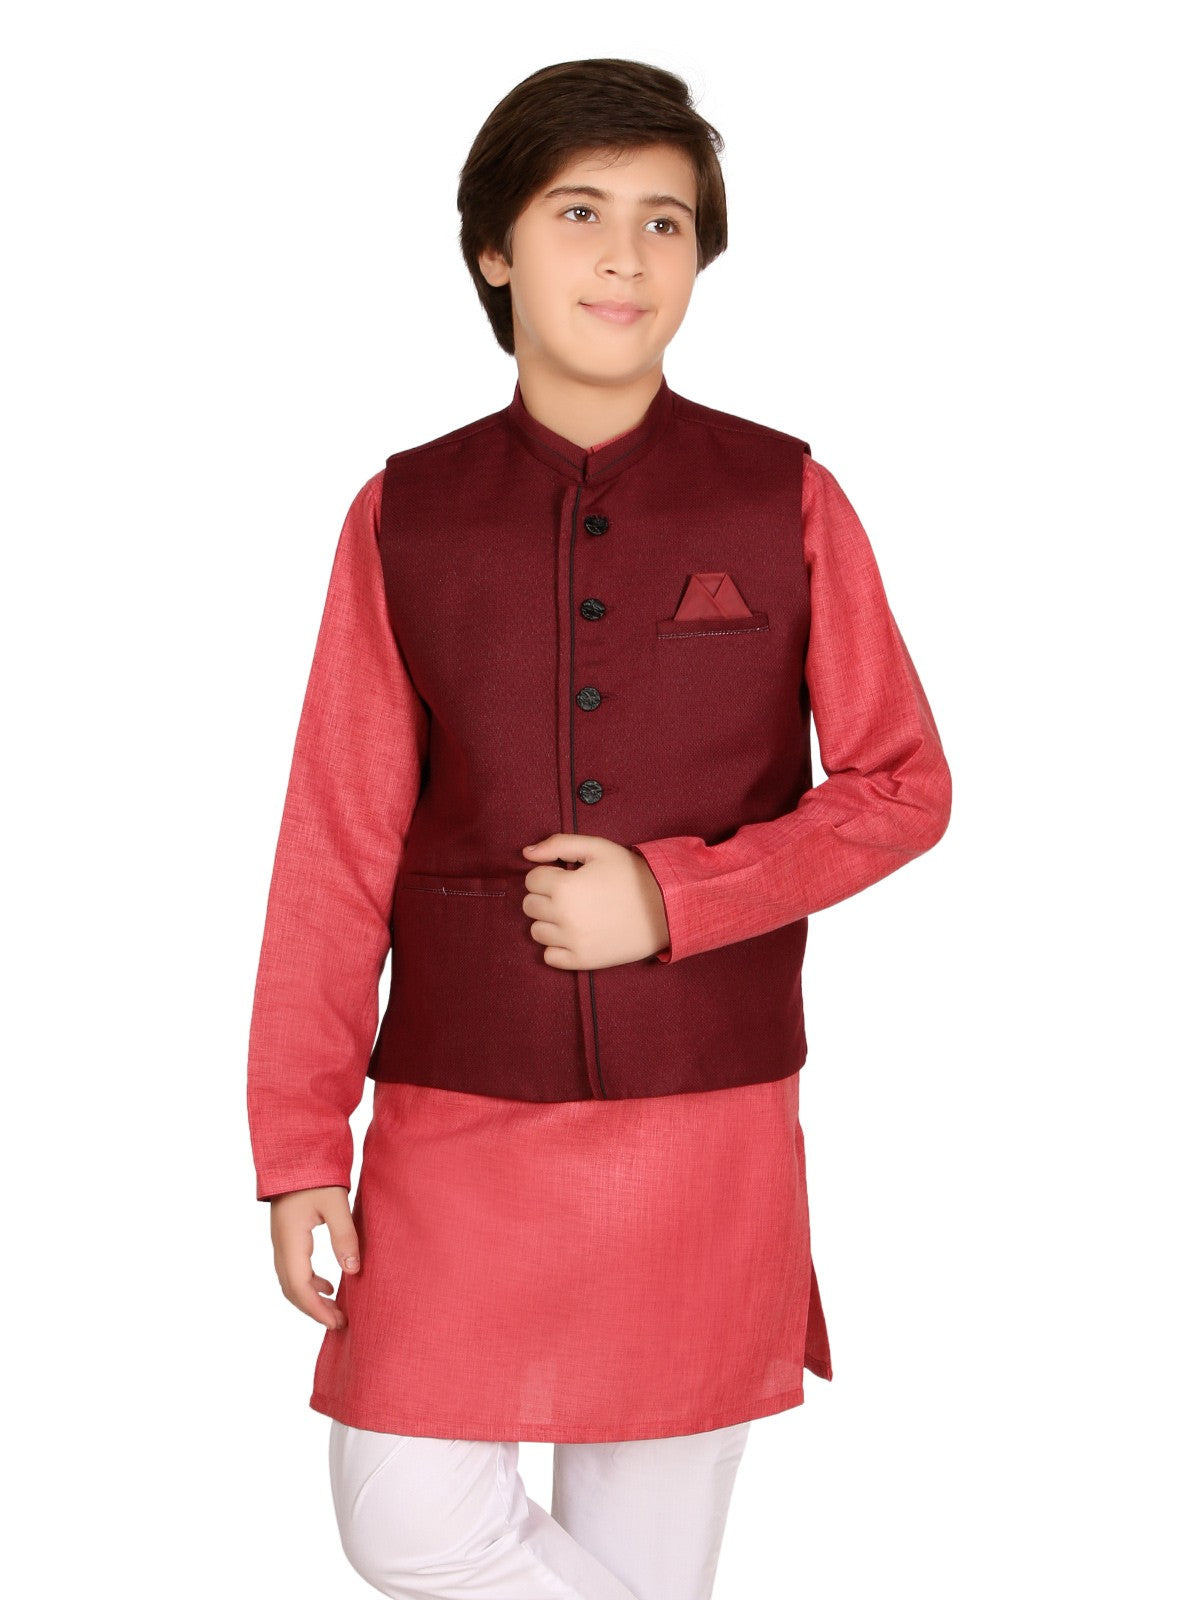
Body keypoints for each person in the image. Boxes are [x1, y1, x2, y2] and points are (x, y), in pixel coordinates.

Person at [246, 56, 952, 1600]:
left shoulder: (787, 499)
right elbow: (334, 845)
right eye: (580, 213)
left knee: (649, 1560)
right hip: (455, 1112)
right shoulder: (404, 514)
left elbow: (903, 785)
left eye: (665, 221)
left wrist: (678, 898)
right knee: (407, 1522)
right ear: (495, 247)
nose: (626, 256)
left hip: (705, 1128)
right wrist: (300, 1144)